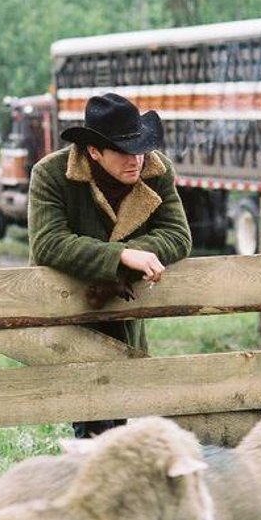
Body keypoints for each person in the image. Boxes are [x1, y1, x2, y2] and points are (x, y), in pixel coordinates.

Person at [28, 93, 192, 438]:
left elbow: (178, 234)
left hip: (124, 310)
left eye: (141, 147)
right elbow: (47, 243)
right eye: (123, 150)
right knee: (91, 417)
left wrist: (126, 260)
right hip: (69, 307)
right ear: (94, 151)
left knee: (123, 409)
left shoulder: (155, 169)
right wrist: (119, 257)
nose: (136, 159)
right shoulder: (51, 174)